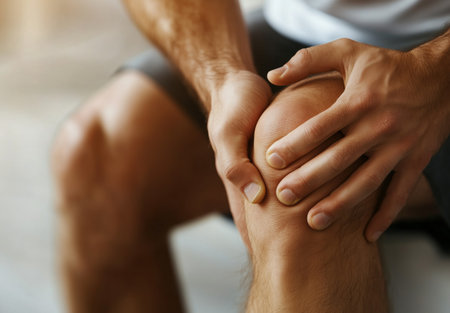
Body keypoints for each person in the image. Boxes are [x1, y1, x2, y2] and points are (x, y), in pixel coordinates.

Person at [51, 0, 450, 312]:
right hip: (304, 30)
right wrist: (220, 78)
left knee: (295, 158)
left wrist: (434, 75)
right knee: (95, 154)